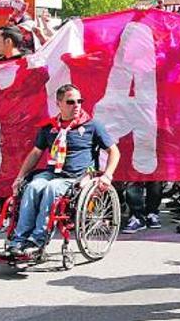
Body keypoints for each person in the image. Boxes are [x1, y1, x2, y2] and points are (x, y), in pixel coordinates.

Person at [7, 84, 120, 256]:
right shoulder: (49, 127)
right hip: (52, 172)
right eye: (70, 102)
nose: (77, 105)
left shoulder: (92, 125)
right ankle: (19, 240)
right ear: (59, 103)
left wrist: (107, 175)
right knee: (32, 187)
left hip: (78, 176)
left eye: (79, 101)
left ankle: (38, 240)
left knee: (52, 189)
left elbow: (114, 151)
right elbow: (35, 153)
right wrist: (19, 177)